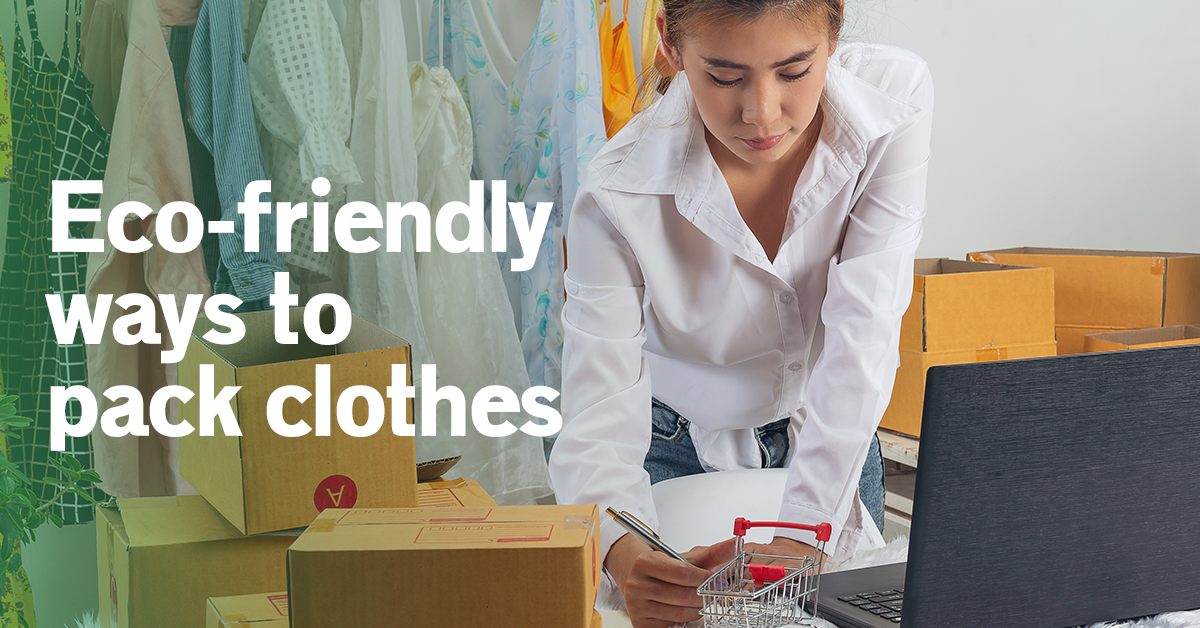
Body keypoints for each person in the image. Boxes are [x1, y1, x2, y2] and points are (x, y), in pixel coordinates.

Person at [547, 0, 933, 625]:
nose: (761, 113)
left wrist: (805, 532)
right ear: (671, 48)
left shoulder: (893, 101)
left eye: (794, 70)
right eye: (724, 76)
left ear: (833, 32)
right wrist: (621, 551)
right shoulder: (617, 190)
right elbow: (597, 401)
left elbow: (863, 333)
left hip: (827, 431)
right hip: (669, 444)